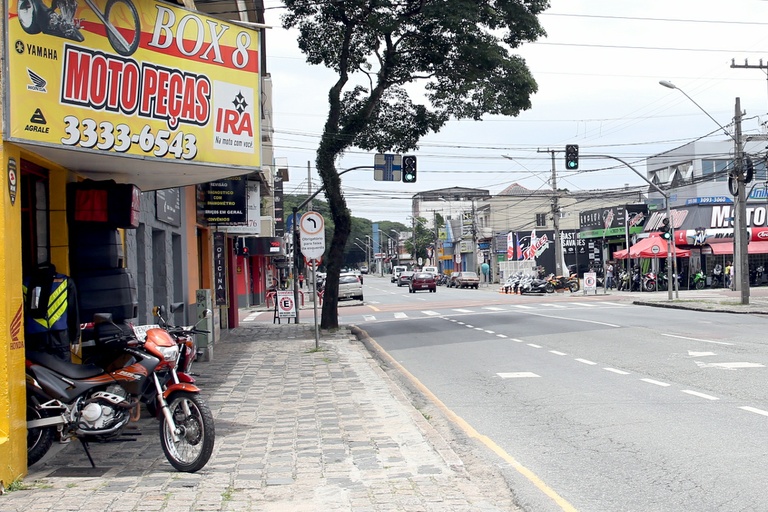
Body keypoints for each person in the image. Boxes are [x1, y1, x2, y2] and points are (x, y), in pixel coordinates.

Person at [22, 262, 79, 362]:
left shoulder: (25, 283)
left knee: (40, 371)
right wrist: (75, 338)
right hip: (60, 335)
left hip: (35, 335)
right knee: (64, 371)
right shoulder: (65, 281)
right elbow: (73, 311)